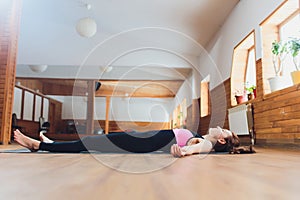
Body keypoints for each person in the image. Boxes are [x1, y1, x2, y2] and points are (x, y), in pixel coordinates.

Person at [13, 126, 244, 158]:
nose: (219, 126)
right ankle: (50, 143)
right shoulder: (203, 136)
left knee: (92, 142)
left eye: (223, 129)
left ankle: (38, 145)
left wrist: (184, 152)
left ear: (221, 138)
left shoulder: (207, 143)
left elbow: (197, 148)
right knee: (92, 141)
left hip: (144, 143)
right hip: (143, 139)